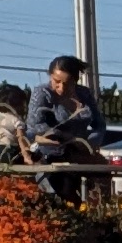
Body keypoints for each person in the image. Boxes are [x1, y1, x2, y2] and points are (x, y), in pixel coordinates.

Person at [22, 57, 108, 199]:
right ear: (50, 76)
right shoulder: (42, 93)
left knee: (99, 192)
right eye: (57, 81)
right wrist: (61, 136)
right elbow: (34, 125)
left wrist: (91, 142)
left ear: (75, 80)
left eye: (67, 83)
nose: (61, 87)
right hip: (53, 155)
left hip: (81, 153)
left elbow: (99, 124)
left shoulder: (84, 94)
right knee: (66, 197)